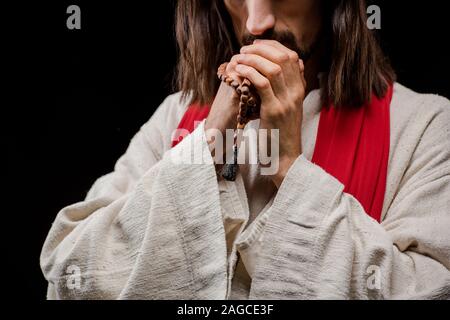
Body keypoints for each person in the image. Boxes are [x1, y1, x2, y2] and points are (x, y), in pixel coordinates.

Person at [41, 0, 450, 299]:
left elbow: (431, 291)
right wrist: (207, 146)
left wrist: (287, 165)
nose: (257, 23)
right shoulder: (175, 117)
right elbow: (71, 274)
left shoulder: (424, 123)